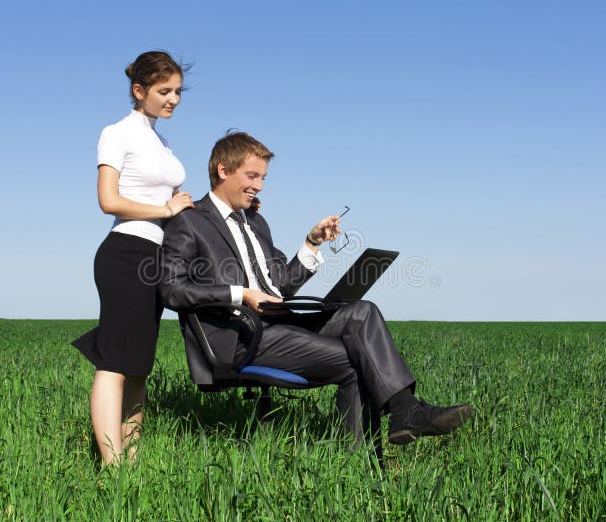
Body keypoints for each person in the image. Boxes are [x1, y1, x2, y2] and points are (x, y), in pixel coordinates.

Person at [160, 131, 473, 445]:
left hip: (280, 323)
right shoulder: (189, 221)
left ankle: (404, 412)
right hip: (241, 336)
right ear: (223, 170)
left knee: (362, 311)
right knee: (359, 359)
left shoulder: (256, 222)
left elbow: (280, 284)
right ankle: (364, 464)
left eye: (263, 178)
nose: (258, 186)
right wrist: (240, 294)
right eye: (252, 176)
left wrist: (311, 242)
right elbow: (172, 290)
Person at [71, 51, 194, 466]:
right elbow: (109, 200)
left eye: (178, 91)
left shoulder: (161, 140)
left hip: (156, 256)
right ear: (139, 91)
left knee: (140, 363)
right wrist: (165, 211)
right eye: (164, 91)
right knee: (115, 362)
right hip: (125, 253)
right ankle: (111, 463)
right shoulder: (117, 132)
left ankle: (132, 459)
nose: (173, 98)